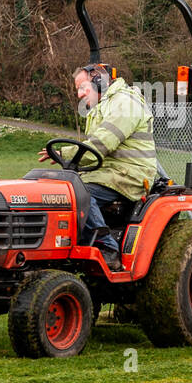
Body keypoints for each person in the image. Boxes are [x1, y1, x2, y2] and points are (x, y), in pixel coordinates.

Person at [37, 64, 157, 270]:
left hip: (128, 174)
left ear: (99, 82)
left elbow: (101, 145)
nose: (79, 94)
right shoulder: (103, 105)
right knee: (51, 189)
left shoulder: (125, 104)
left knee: (79, 193)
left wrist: (64, 153)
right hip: (107, 172)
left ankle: (107, 248)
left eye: (82, 87)